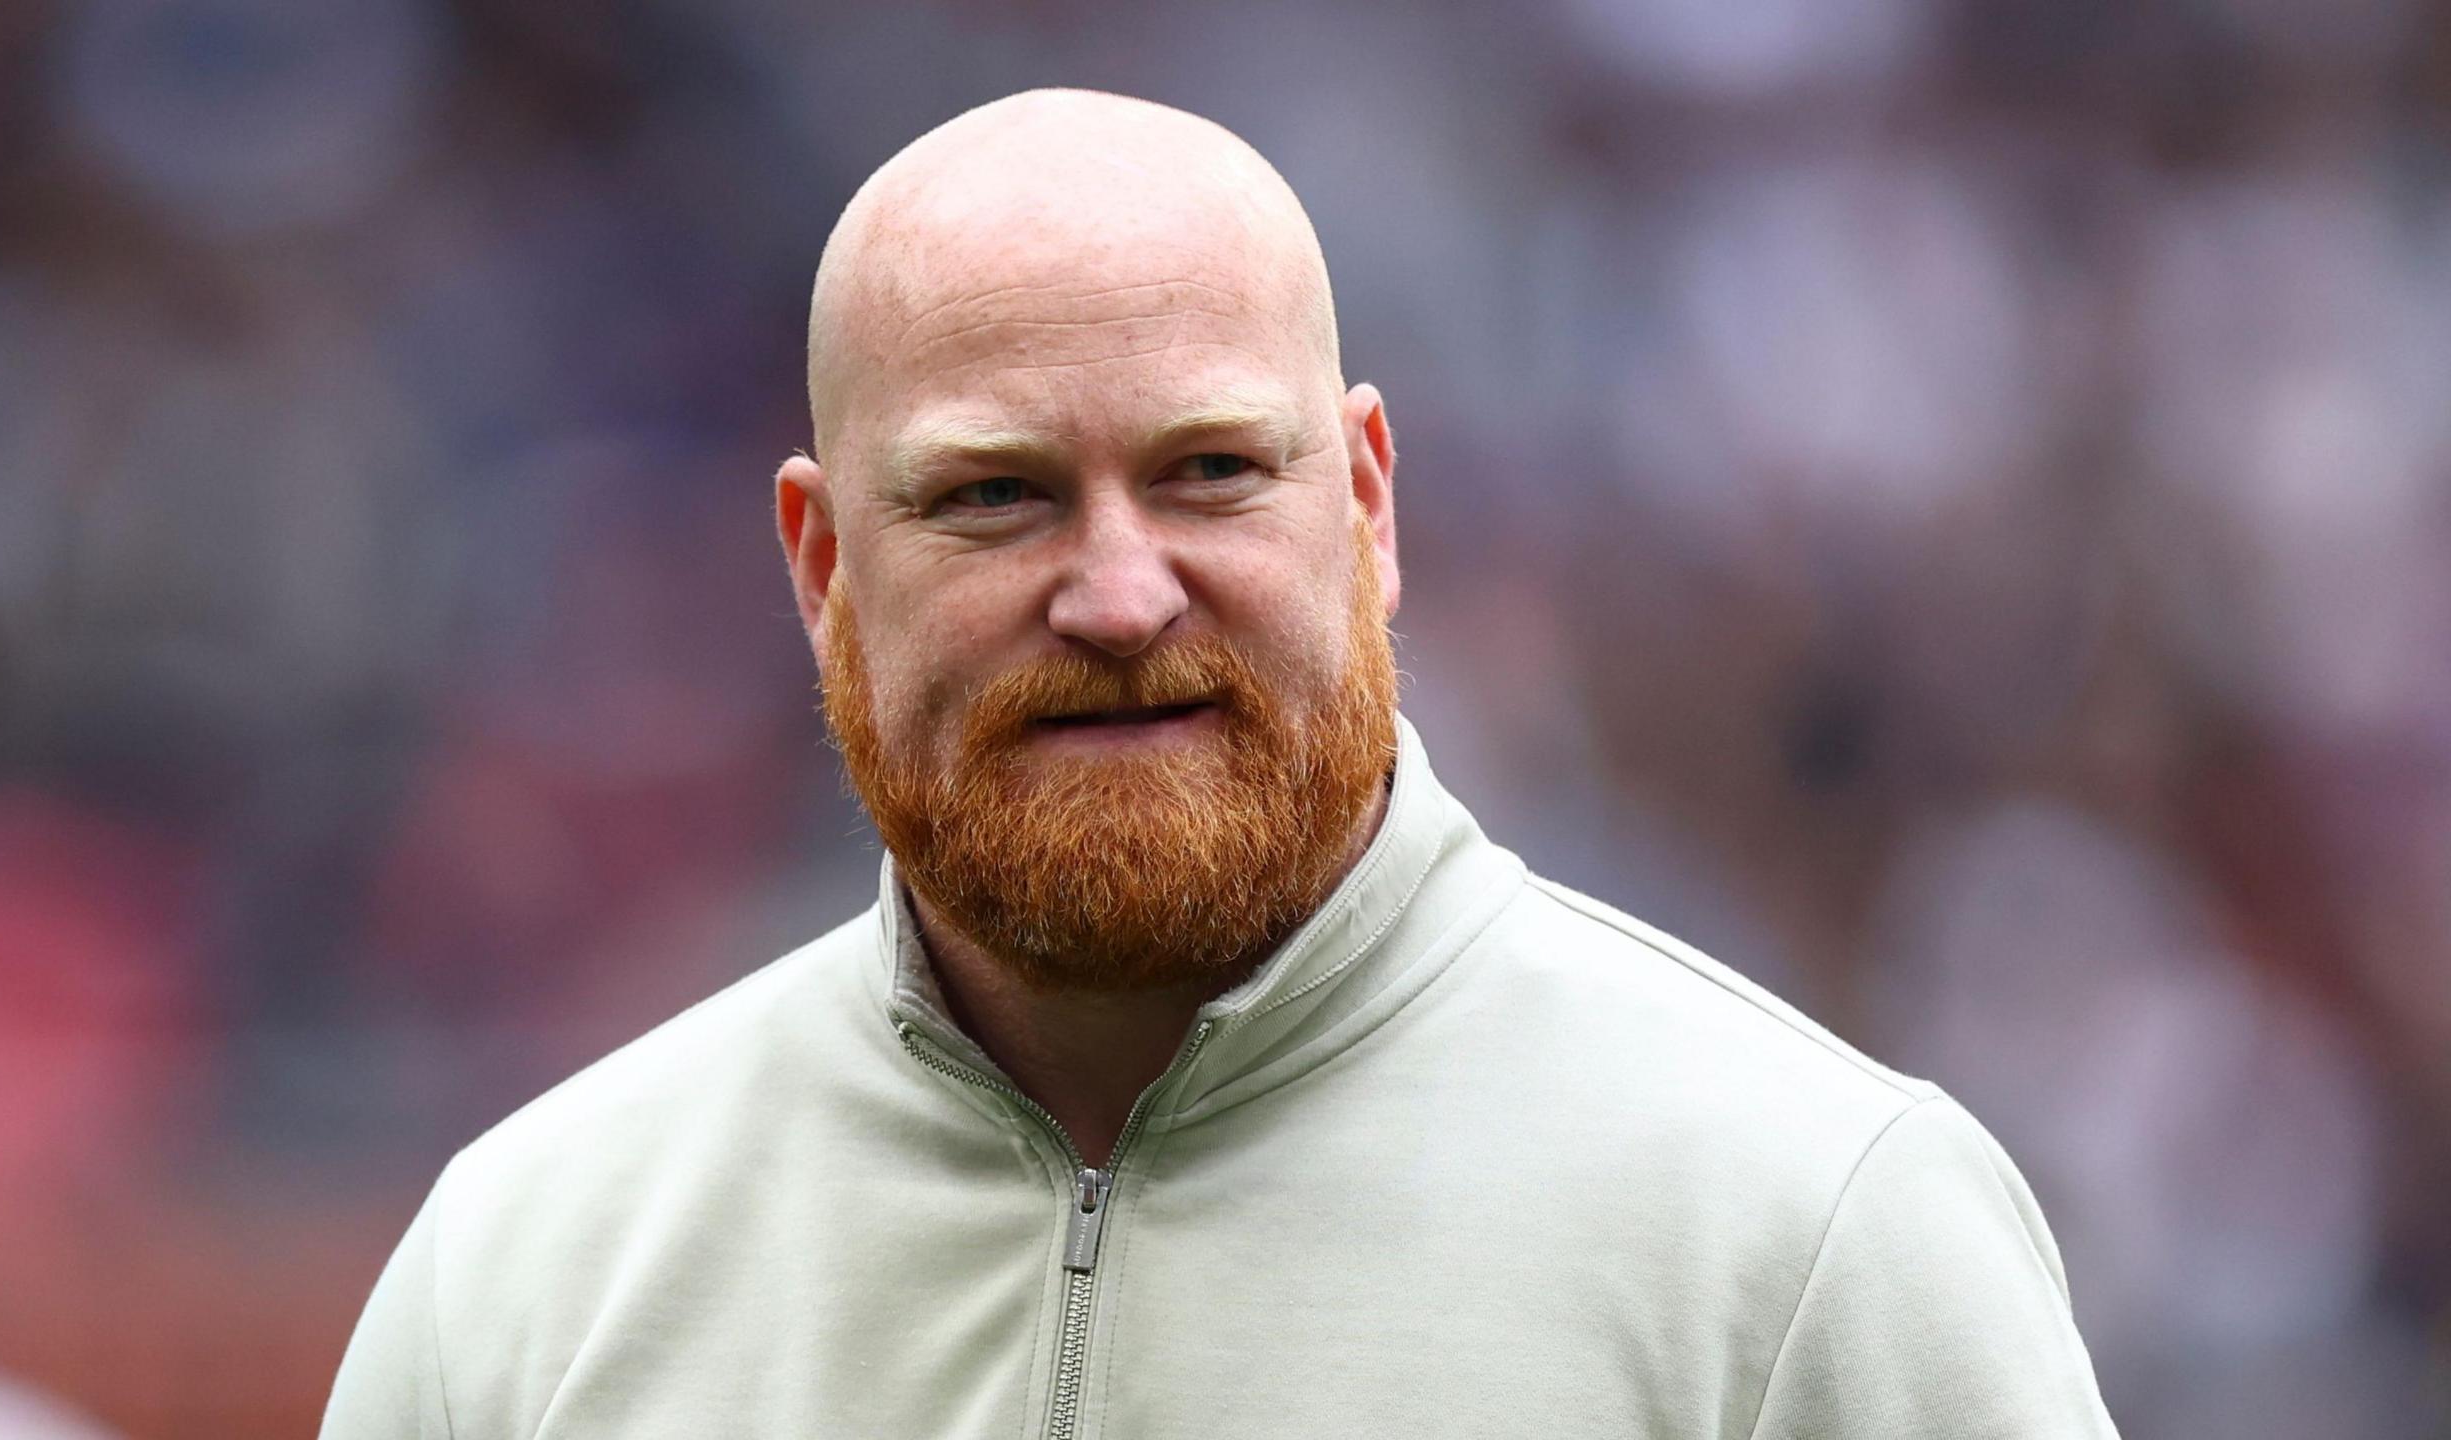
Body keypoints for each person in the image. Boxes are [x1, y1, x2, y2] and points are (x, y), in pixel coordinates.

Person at [321, 88, 2118, 1437]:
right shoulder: (528, 1283)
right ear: (821, 568)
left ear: (1366, 502)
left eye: (1209, 473)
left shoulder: (1813, 1234)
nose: (1115, 593)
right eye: (993, 495)